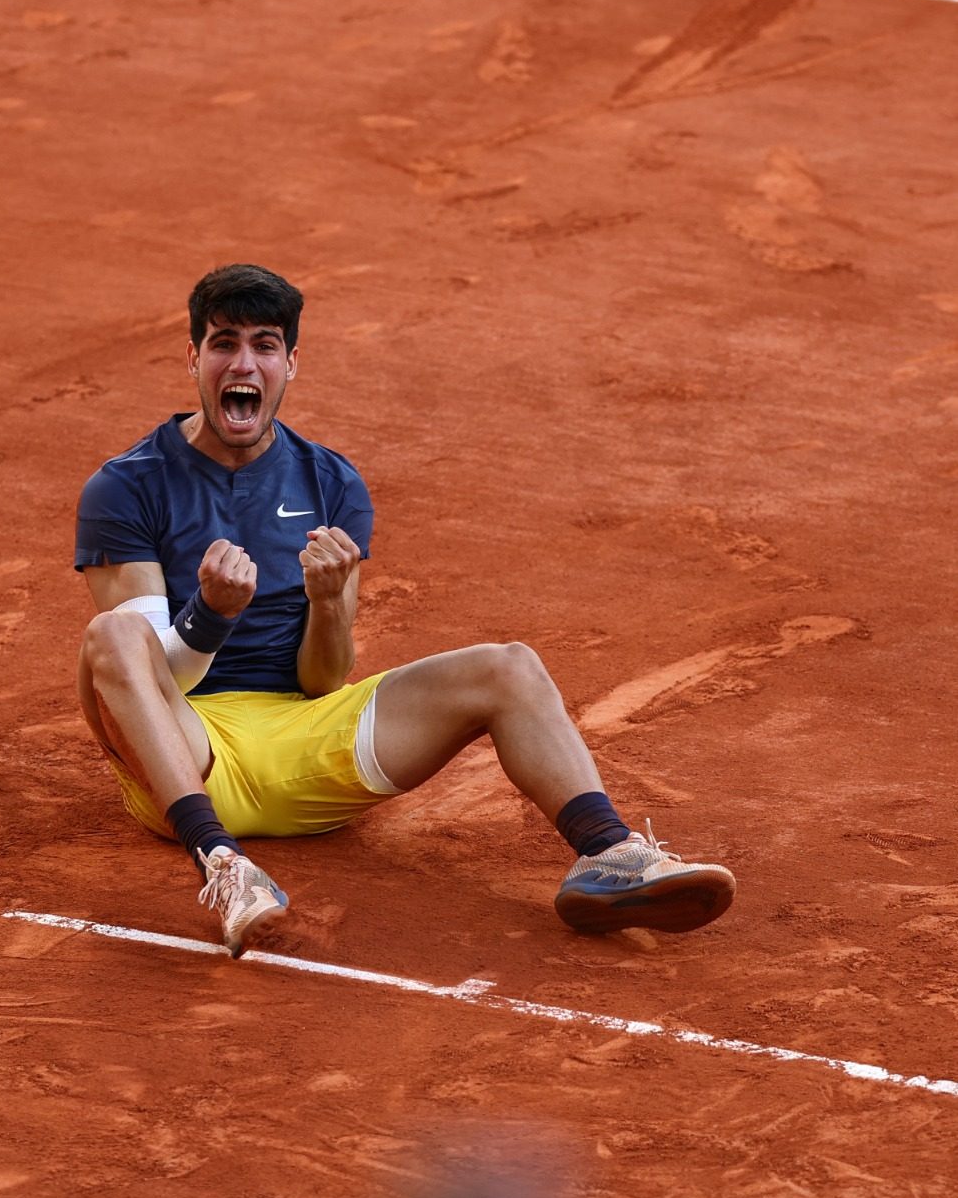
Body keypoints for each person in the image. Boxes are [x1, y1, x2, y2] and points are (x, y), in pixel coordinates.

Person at [75, 264, 736, 956]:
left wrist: (328, 602)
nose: (244, 361)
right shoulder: (126, 487)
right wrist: (209, 616)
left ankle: (608, 854)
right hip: (186, 755)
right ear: (193, 357)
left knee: (508, 667)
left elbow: (322, 683)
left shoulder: (330, 482)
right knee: (111, 634)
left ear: (290, 364)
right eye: (224, 342)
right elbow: (150, 676)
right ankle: (223, 865)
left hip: (302, 745)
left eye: (265, 345)